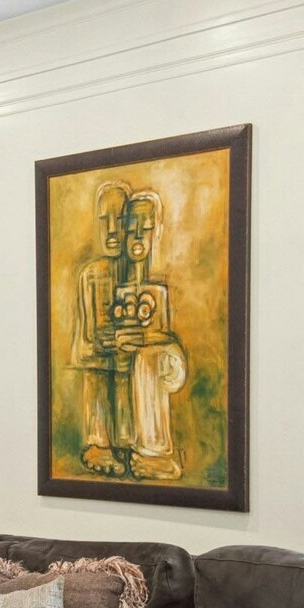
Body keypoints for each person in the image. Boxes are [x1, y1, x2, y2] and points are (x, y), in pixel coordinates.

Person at [111, 191, 187, 482]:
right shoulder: (122, 290)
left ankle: (157, 455)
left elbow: (162, 340)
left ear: (157, 232)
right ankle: (135, 448)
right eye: (131, 230)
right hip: (128, 372)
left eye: (145, 229)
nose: (137, 237)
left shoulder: (159, 291)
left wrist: (144, 340)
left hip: (158, 368)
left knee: (148, 361)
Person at [67, 183, 129, 475]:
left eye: (121, 219)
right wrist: (100, 344)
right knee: (97, 373)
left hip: (124, 354)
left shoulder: (135, 271)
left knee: (129, 373)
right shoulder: (90, 274)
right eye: (105, 220)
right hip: (97, 353)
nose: (113, 230)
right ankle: (98, 443)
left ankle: (127, 443)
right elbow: (86, 335)